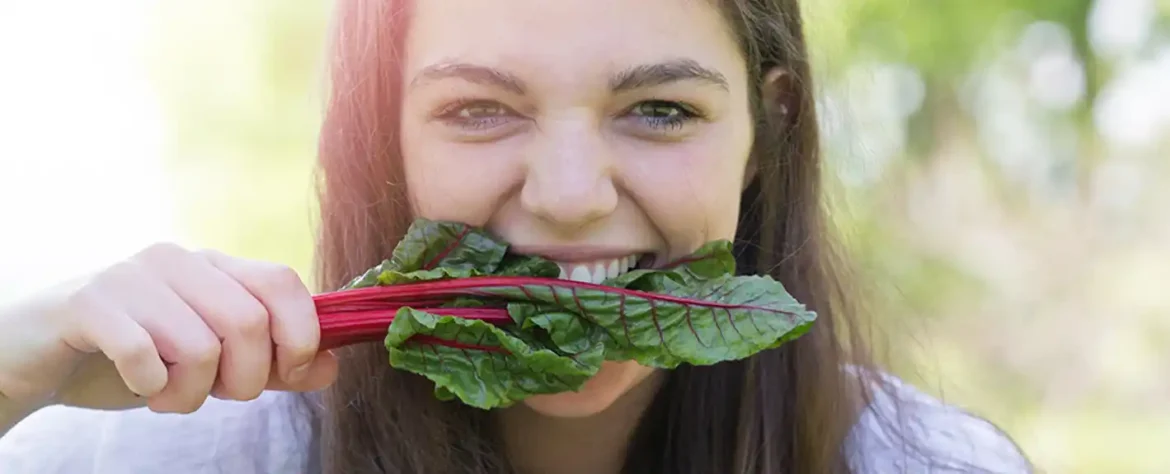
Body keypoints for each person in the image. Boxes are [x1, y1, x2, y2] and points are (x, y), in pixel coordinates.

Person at [0, 0, 1034, 472]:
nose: (574, 196)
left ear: (768, 130)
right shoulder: (161, 448)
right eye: (481, 110)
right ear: (386, 136)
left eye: (661, 109)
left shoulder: (929, 465)